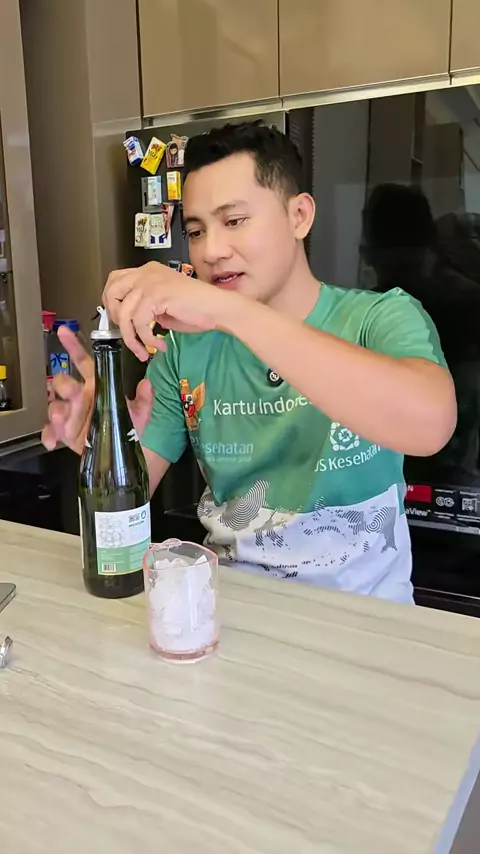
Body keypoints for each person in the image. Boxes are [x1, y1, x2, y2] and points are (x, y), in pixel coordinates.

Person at [42, 122, 457, 604]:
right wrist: (104, 443)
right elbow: (129, 501)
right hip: (231, 613)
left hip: (365, 624)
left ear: (299, 216)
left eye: (235, 221)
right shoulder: (183, 350)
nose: (211, 251)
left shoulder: (378, 317)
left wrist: (228, 312)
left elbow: (430, 424)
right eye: (195, 231)